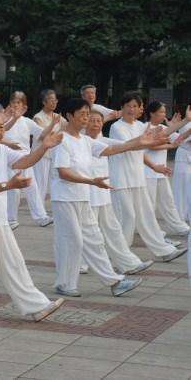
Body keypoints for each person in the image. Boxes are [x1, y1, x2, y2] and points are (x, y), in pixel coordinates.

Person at [50, 98, 166, 297]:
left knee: (94, 239)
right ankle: (64, 283)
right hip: (65, 199)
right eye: (82, 115)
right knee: (73, 240)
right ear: (69, 116)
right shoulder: (62, 140)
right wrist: (91, 181)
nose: (86, 118)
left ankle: (114, 281)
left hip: (83, 197)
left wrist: (138, 142)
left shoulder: (86, 141)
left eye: (88, 114)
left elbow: (112, 149)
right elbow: (63, 172)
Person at [0, 111, 65, 322]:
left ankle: (36, 306)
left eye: (1, 127)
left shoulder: (1, 150)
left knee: (14, 262)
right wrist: (10, 185)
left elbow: (24, 161)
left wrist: (43, 146)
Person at [108, 92, 188, 262]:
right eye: (128, 106)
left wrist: (186, 121)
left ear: (139, 109)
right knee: (128, 218)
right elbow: (130, 146)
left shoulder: (139, 126)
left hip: (137, 178)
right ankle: (122, 257)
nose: (131, 109)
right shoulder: (117, 127)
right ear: (122, 107)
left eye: (135, 106)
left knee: (146, 216)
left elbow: (161, 137)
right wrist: (150, 139)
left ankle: (164, 250)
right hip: (121, 180)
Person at [86, 110, 154, 275]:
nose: (95, 124)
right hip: (87, 197)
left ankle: (129, 263)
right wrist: (139, 141)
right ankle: (81, 264)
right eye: (92, 120)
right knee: (89, 235)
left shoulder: (103, 140)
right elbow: (119, 148)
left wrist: (143, 140)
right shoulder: (82, 141)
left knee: (113, 230)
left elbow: (124, 145)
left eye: (98, 121)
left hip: (103, 195)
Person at [4, 91, 55, 229]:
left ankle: (41, 217)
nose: (16, 105)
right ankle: (11, 219)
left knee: (32, 188)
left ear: (23, 105)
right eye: (13, 102)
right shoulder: (4, 119)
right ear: (10, 104)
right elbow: (0, 133)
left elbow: (42, 134)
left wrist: (52, 124)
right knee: (13, 190)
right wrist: (13, 118)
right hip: (10, 159)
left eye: (19, 103)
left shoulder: (27, 122)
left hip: (26, 158)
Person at [144, 101, 190, 237]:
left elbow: (180, 139)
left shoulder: (163, 128)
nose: (164, 115)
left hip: (161, 172)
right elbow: (150, 146)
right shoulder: (145, 127)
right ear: (152, 113)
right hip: (148, 172)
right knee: (149, 205)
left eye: (164, 112)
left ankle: (180, 227)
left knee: (168, 202)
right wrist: (169, 146)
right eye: (161, 112)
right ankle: (152, 231)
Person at [32, 89, 66, 205]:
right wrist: (53, 124)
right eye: (51, 100)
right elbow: (42, 136)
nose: (54, 102)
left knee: (54, 183)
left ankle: (51, 209)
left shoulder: (58, 117)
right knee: (41, 184)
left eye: (55, 100)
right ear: (44, 102)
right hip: (41, 155)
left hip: (54, 154)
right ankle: (40, 213)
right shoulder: (38, 117)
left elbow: (68, 127)